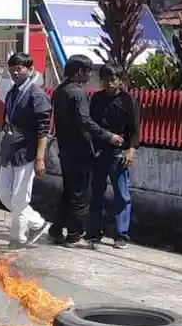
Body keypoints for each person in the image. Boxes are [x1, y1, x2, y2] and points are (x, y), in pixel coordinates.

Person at [50, 54, 123, 246]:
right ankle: (74, 233)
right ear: (80, 71)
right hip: (80, 149)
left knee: (68, 191)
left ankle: (56, 229)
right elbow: (85, 121)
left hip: (65, 149)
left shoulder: (59, 91)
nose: (90, 76)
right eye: (88, 71)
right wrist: (109, 136)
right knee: (80, 194)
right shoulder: (78, 93)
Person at [0, 52, 53, 249]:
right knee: (3, 193)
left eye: (19, 69)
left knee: (20, 197)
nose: (15, 73)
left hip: (27, 151)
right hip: (10, 149)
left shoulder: (37, 95)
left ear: (30, 69)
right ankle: (37, 223)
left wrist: (40, 158)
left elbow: (43, 130)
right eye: (12, 70)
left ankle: (18, 238)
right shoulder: (12, 92)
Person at [87, 65, 140, 249]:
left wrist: (130, 150)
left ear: (120, 79)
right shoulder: (97, 99)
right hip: (99, 152)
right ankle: (93, 232)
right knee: (96, 194)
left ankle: (121, 234)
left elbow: (134, 129)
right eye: (105, 79)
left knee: (121, 195)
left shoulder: (128, 101)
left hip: (119, 154)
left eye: (113, 79)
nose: (109, 83)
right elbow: (91, 124)